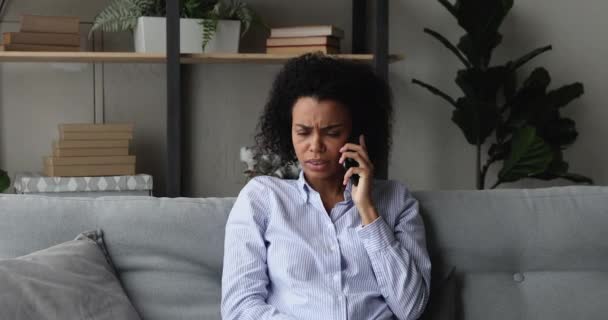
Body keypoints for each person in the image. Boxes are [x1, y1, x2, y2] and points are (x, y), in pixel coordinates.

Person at [221, 53, 431, 320]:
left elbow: (411, 309)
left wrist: (367, 210)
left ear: (357, 133)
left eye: (332, 133)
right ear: (288, 132)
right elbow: (239, 308)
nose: (316, 146)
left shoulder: (397, 200)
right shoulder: (262, 198)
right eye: (303, 132)